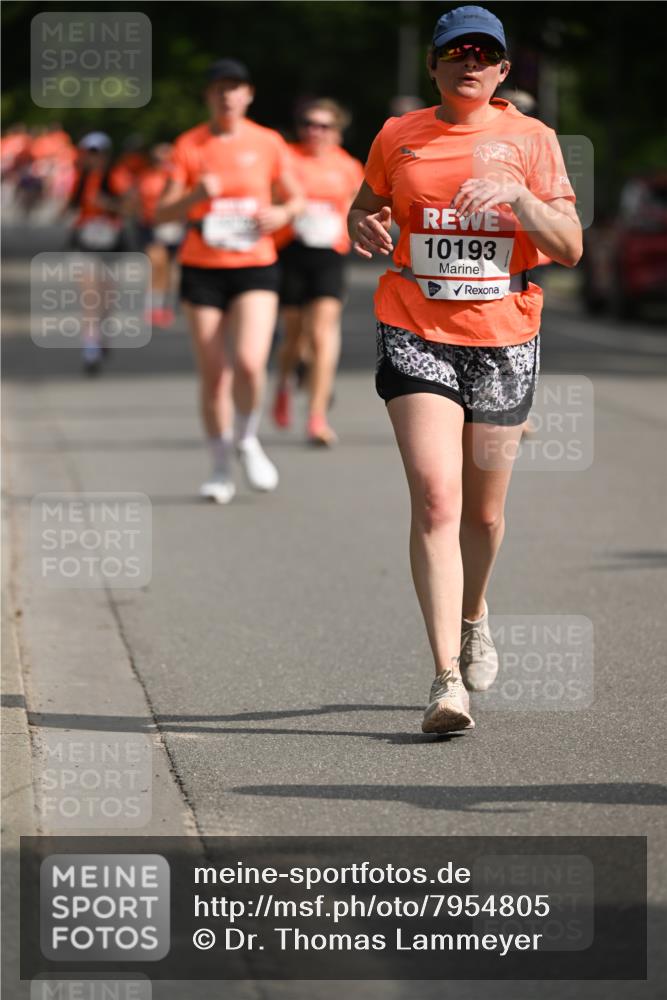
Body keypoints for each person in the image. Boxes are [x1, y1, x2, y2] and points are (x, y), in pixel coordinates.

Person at [348, 5, 581, 734]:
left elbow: (570, 246)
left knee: (482, 512)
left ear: (503, 69)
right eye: (456, 52)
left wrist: (516, 196)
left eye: (484, 54)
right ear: (435, 66)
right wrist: (364, 223)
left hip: (504, 335)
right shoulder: (397, 135)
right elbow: (364, 209)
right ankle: (446, 679)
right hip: (414, 326)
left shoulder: (531, 140)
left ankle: (474, 613)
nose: (469, 63)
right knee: (435, 500)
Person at [156, 59, 303, 503]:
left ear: (249, 94)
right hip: (202, 266)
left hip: (255, 262)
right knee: (214, 372)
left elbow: (295, 197)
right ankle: (220, 465)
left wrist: (281, 213)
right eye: (219, 88)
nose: (227, 96)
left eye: (235, 88)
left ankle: (246, 438)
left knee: (250, 362)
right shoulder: (189, 145)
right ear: (208, 96)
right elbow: (161, 212)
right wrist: (196, 196)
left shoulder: (268, 142)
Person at [272, 100, 365, 445]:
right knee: (295, 336)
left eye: (324, 125)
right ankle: (283, 384)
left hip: (329, 253)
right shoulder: (287, 158)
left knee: (323, 333)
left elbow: (360, 205)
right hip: (290, 251)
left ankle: (316, 417)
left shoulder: (348, 166)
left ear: (337, 132)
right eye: (310, 123)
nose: (316, 131)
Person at [65, 132, 132, 373]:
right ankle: (90, 348)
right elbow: (70, 205)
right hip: (86, 242)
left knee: (106, 297)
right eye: (89, 152)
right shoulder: (80, 177)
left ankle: (102, 336)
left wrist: (106, 204)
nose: (93, 157)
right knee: (89, 296)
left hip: (111, 242)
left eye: (97, 152)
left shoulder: (116, 176)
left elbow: (129, 207)